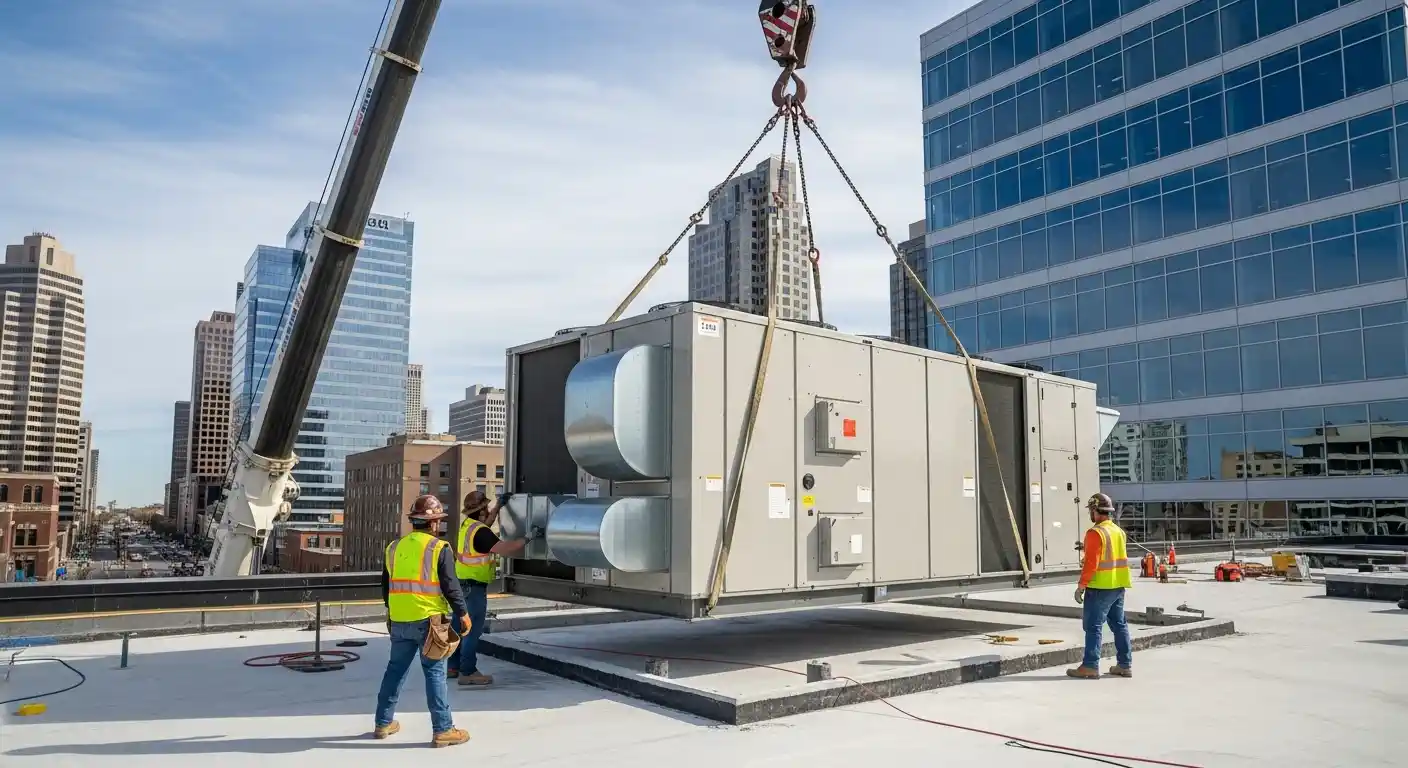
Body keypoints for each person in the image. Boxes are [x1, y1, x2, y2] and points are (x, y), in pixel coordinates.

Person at [373, 494, 472, 747]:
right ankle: (443, 729)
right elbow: (451, 586)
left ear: (413, 521)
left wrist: (392, 611)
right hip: (429, 621)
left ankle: (383, 723)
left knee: (394, 671)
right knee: (435, 673)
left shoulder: (393, 547)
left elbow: (386, 586)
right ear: (435, 523)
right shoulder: (439, 548)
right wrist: (463, 613)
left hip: (399, 619)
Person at [447, 490, 531, 686]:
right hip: (474, 588)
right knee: (472, 629)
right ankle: (468, 672)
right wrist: (528, 538)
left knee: (459, 627)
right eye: (486, 507)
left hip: (461, 584)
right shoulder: (482, 533)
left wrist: (499, 506)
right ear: (482, 509)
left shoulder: (468, 526)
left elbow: (486, 524)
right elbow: (505, 548)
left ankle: (453, 667)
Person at [1068, 492, 1133, 680]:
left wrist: (1081, 586)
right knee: (1119, 625)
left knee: (1093, 627)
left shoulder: (1095, 532)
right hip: (1118, 585)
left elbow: (1091, 564)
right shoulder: (1118, 531)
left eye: (1091, 510)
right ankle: (1124, 664)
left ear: (1095, 511)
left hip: (1100, 587)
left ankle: (1090, 665)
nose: (1090, 514)